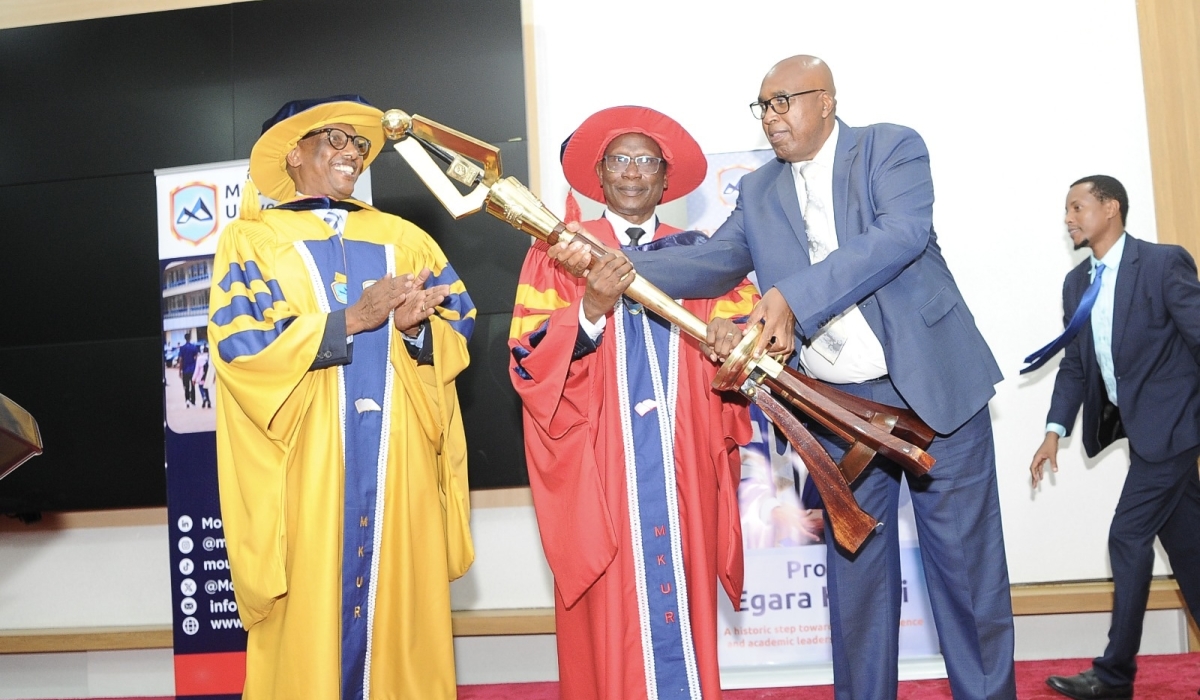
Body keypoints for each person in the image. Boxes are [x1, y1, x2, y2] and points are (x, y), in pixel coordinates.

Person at [554, 56, 1017, 700]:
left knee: (967, 580)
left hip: (936, 394)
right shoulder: (762, 190)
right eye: (762, 107)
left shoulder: (891, 148)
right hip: (837, 411)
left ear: (826, 101)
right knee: (856, 589)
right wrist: (615, 263)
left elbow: (899, 235)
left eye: (784, 102)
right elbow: (715, 261)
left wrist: (794, 297)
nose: (771, 118)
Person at [207, 95, 476, 699]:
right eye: (334, 139)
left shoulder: (407, 239)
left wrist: (412, 328)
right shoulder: (253, 239)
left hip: (398, 462)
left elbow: (459, 327)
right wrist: (349, 320)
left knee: (401, 609)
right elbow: (243, 346)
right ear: (292, 152)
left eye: (358, 143)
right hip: (307, 465)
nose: (352, 152)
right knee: (308, 613)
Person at [509, 106, 756, 699]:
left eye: (647, 161)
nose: (632, 172)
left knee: (683, 597)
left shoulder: (702, 253)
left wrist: (734, 342)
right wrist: (589, 308)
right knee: (608, 616)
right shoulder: (560, 252)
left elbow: (745, 335)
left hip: (683, 464)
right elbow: (526, 356)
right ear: (599, 173)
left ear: (666, 179)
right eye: (620, 159)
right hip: (604, 466)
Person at [1027, 175, 1200, 700]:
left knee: (1126, 537)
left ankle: (1114, 675)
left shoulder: (1163, 264)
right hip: (1143, 435)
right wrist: (1054, 431)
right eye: (1067, 210)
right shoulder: (1078, 284)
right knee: (1190, 553)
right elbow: (1077, 368)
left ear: (1111, 209)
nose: (1069, 218)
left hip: (1174, 430)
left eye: (1077, 207)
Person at [178, 331, 199, 407]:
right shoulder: (194, 347)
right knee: (193, 386)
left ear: (185, 338)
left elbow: (181, 360)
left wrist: (180, 371)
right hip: (193, 369)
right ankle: (193, 401)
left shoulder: (182, 348)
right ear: (190, 338)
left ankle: (187, 400)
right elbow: (196, 358)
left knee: (186, 386)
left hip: (185, 370)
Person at [192, 344, 212, 409]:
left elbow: (196, 369)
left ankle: (204, 397)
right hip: (207, 377)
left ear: (203, 351)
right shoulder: (209, 358)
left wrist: (194, 378)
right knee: (206, 389)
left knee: (201, 388)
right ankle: (208, 402)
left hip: (201, 377)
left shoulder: (199, 358)